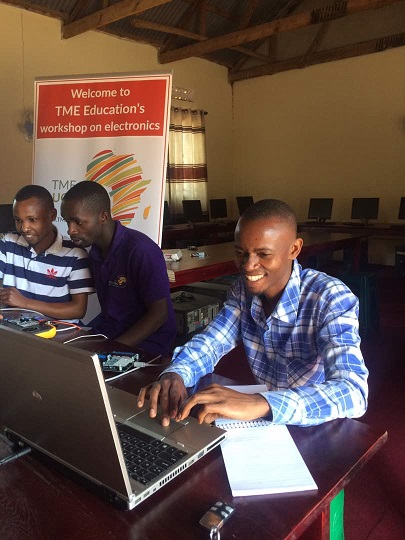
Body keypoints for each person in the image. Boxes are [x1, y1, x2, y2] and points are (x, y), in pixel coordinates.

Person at [138, 199, 369, 427]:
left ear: (294, 249)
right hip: (264, 422)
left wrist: (262, 403)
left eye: (264, 254)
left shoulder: (329, 297)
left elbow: (353, 392)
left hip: (315, 420)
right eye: (241, 252)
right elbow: (211, 342)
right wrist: (177, 373)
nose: (248, 265)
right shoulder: (243, 291)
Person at [61, 181, 176, 355]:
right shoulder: (94, 251)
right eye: (67, 221)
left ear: (104, 217)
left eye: (78, 222)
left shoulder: (141, 251)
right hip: (111, 331)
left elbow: (159, 315)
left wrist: (112, 348)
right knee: (64, 355)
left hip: (149, 341)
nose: (71, 230)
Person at [0, 184, 94, 321]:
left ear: (52, 215)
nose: (24, 228)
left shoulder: (75, 254)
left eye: (32, 220)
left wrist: (24, 303)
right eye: (18, 220)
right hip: (15, 334)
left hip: (58, 336)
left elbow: (78, 310)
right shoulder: (8, 243)